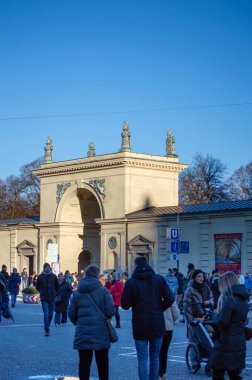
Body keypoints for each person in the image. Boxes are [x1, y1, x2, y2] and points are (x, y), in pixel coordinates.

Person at [121, 256, 174, 380]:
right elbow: (170, 298)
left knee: (142, 357)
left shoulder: (131, 282)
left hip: (140, 322)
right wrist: (159, 308)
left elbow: (124, 305)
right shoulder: (159, 279)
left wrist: (135, 302)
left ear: (136, 266)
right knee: (155, 356)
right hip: (157, 321)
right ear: (148, 263)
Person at [68, 264, 115, 380]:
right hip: (101, 332)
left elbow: (71, 313)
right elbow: (110, 312)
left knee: (84, 364)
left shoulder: (77, 293)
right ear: (98, 276)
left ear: (86, 275)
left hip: (83, 332)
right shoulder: (104, 292)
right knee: (103, 364)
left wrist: (79, 323)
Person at [209, 271, 249, 380]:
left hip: (225, 343)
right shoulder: (243, 299)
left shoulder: (228, 300)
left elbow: (223, 323)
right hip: (239, 342)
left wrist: (215, 315)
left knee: (218, 374)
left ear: (226, 284)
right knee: (234, 375)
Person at [36, 262, 60, 336]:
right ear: (44, 268)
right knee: (46, 314)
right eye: (46, 267)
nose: (47, 268)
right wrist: (42, 292)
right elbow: (37, 287)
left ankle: (47, 325)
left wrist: (55, 293)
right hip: (44, 299)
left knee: (51, 314)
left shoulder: (54, 276)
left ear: (50, 268)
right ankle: (47, 330)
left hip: (52, 298)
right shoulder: (40, 277)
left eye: (48, 267)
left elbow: (57, 286)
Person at [158, 299, 180, 380]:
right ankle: (163, 373)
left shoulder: (153, 293)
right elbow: (176, 312)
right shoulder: (168, 294)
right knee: (164, 352)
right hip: (168, 327)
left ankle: (156, 373)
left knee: (155, 352)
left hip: (155, 327)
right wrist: (171, 320)